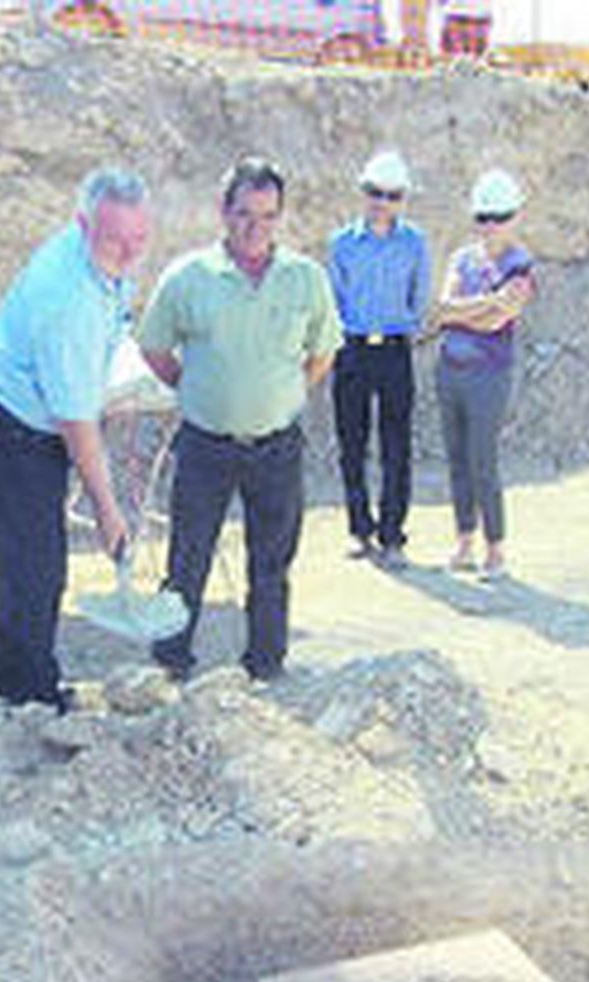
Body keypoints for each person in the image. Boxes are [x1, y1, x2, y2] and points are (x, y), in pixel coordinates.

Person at [138, 156, 342, 683]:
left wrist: (286, 394)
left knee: (272, 566)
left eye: (269, 215)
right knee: (186, 561)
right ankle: (170, 663)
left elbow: (322, 352)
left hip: (276, 446)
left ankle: (266, 666)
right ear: (223, 213)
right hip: (205, 445)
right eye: (245, 214)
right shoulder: (188, 278)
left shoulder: (305, 278)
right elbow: (156, 347)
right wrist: (197, 389)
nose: (256, 227)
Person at [0, 167, 147, 712]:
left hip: (36, 422)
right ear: (81, 223)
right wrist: (108, 511)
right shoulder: (67, 294)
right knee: (33, 565)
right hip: (11, 432)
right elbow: (76, 420)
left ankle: (23, 683)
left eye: (139, 238)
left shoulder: (101, 263)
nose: (128, 252)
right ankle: (27, 697)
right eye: (115, 239)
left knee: (37, 562)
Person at [326, 149, 430, 569]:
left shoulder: (414, 243)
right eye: (375, 192)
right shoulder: (342, 244)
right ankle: (359, 529)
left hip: (393, 351)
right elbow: (333, 298)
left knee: (396, 446)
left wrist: (406, 325)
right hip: (351, 349)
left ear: (403, 198)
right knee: (351, 444)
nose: (382, 202)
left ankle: (392, 535)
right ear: (362, 192)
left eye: (392, 194)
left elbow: (419, 295)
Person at [433, 168, 534, 581]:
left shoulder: (521, 264)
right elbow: (443, 309)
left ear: (514, 218)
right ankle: (464, 541)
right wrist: (487, 302)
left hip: (487, 375)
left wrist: (465, 311)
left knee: (483, 459)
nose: (490, 227)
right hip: (450, 369)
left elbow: (500, 319)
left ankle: (495, 548)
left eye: (498, 217)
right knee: (457, 457)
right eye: (483, 218)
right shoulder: (462, 258)